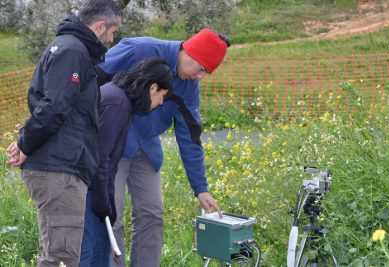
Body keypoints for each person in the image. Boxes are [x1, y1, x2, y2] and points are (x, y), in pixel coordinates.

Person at [96, 28, 230, 267]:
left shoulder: (188, 87)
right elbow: (91, 78)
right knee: (110, 217)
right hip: (110, 148)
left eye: (206, 73)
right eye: (201, 70)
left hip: (146, 150)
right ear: (190, 53)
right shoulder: (138, 50)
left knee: (152, 215)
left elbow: (190, 136)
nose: (199, 77)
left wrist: (201, 188)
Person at [6, 1, 122, 266]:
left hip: (62, 163)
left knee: (59, 254)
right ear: (100, 26)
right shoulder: (73, 51)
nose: (112, 39)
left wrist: (26, 141)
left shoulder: (71, 49)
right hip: (60, 167)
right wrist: (25, 142)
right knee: (60, 258)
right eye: (112, 32)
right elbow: (55, 106)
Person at [79, 58, 173, 267]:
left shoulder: (120, 100)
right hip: (77, 177)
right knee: (91, 250)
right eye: (162, 96)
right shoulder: (117, 103)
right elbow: (101, 157)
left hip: (86, 179)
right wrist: (105, 203)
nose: (161, 102)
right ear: (153, 87)